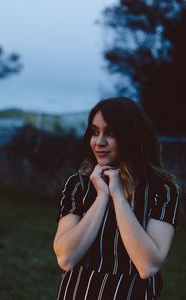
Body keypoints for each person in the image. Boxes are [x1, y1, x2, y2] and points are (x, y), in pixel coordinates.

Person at [53, 97, 179, 300]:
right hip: (77, 293)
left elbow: (147, 265)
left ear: (132, 136)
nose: (99, 142)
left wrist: (118, 196)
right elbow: (66, 257)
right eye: (95, 132)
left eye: (110, 133)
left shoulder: (162, 191)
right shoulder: (78, 185)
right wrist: (102, 196)